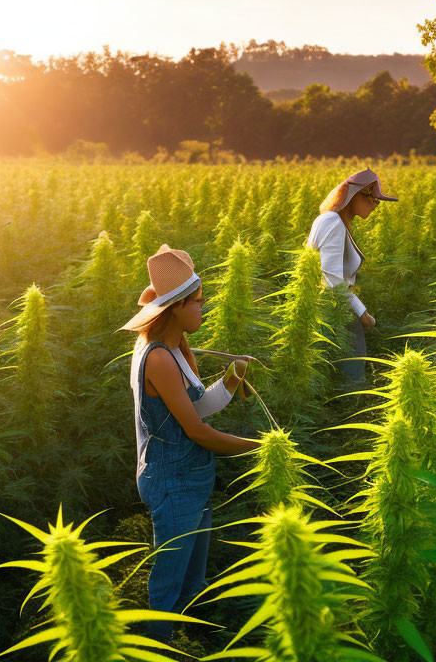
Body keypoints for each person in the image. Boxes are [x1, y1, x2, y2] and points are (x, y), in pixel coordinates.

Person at [121, 244, 258, 643]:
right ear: (177, 306)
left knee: (191, 582)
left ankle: (180, 641)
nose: (204, 308)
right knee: (166, 587)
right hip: (172, 482)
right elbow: (197, 432)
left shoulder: (177, 347)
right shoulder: (159, 358)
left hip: (192, 478)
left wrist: (232, 377)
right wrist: (259, 448)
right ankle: (159, 646)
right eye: (199, 302)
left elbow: (200, 408)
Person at [306, 168, 398, 383]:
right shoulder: (332, 222)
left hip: (336, 305)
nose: (376, 207)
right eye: (374, 200)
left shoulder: (335, 221)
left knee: (337, 374)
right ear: (357, 195)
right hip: (336, 308)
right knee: (351, 378)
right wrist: (362, 313)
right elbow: (331, 279)